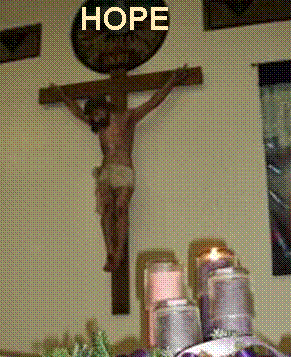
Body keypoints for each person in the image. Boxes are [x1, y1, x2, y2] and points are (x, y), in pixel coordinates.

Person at [50, 65, 188, 272]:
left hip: (123, 170)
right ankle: (110, 252)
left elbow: (153, 102)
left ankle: (120, 251)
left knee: (121, 208)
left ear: (105, 108)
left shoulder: (127, 117)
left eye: (97, 113)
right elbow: (77, 111)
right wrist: (62, 95)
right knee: (106, 210)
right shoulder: (98, 124)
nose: (95, 119)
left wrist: (172, 82)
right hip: (106, 171)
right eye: (93, 116)